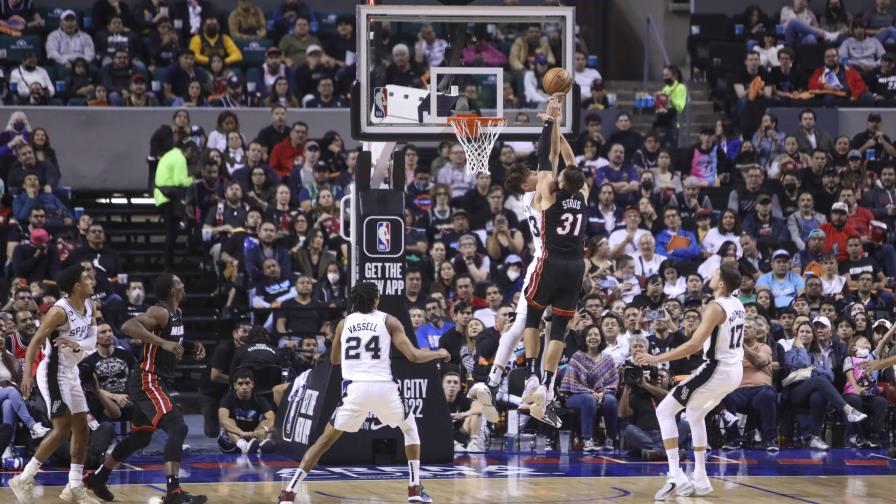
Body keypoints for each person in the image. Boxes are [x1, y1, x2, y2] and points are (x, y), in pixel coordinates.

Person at [277, 282, 449, 504]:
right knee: (409, 428)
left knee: (323, 442)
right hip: (383, 388)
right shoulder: (390, 320)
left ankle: (290, 492)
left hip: (355, 389)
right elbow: (414, 356)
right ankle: (414, 489)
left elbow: (334, 360)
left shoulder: (344, 323)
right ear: (376, 298)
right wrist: (439, 353)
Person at [84, 274, 207, 504]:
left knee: (141, 438)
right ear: (172, 291)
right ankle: (174, 493)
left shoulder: (177, 315)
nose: (184, 284)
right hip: (148, 379)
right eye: (180, 282)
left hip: (157, 380)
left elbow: (171, 345)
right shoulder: (159, 311)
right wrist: (162, 342)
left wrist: (192, 347)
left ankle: (99, 478)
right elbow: (128, 325)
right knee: (177, 427)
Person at [634, 265, 746, 499]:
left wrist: (656, 357)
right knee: (695, 414)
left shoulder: (717, 306)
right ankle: (701, 478)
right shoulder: (738, 304)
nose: (712, 276)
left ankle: (675, 475)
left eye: (716, 274)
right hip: (734, 372)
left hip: (717, 369)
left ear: (722, 283)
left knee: (665, 410)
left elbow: (694, 346)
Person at [520, 96, 589, 427]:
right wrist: (558, 125)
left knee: (533, 314)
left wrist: (550, 120)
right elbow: (568, 159)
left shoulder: (549, 192)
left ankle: (532, 375)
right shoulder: (583, 195)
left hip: (550, 262)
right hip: (576, 267)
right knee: (558, 328)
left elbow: (546, 156)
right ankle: (547, 385)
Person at [11, 265, 99, 504]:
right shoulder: (59, 312)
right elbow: (35, 342)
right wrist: (27, 373)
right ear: (76, 287)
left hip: (71, 372)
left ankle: (73, 486)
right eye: (86, 278)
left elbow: (93, 338)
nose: (92, 280)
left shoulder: (90, 304)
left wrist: (77, 343)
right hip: (52, 372)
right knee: (62, 430)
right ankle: (24, 478)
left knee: (81, 428)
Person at [561, 325, 619, 451]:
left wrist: (603, 393)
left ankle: (610, 438)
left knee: (611, 401)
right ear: (585, 339)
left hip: (602, 395)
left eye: (596, 334)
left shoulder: (608, 359)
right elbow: (571, 383)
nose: (593, 337)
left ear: (601, 338)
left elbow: (613, 382)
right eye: (589, 335)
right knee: (588, 399)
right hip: (576, 396)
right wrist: (592, 392)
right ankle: (587, 440)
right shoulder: (576, 358)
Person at [154, 138, 197, 270]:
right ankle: (168, 264)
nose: (191, 157)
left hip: (161, 197)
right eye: (192, 154)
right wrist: (192, 179)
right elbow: (180, 181)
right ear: (189, 150)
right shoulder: (180, 158)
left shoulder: (171, 154)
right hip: (169, 199)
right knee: (172, 234)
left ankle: (169, 263)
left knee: (171, 232)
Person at [217, 367, 275, 455]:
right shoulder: (228, 398)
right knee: (229, 422)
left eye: (247, 383)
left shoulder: (260, 399)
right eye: (240, 384)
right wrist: (242, 433)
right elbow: (223, 420)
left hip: (252, 437)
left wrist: (264, 430)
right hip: (232, 441)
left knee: (267, 423)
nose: (244, 387)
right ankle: (243, 445)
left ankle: (262, 445)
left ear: (252, 384)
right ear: (235, 386)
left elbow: (272, 418)